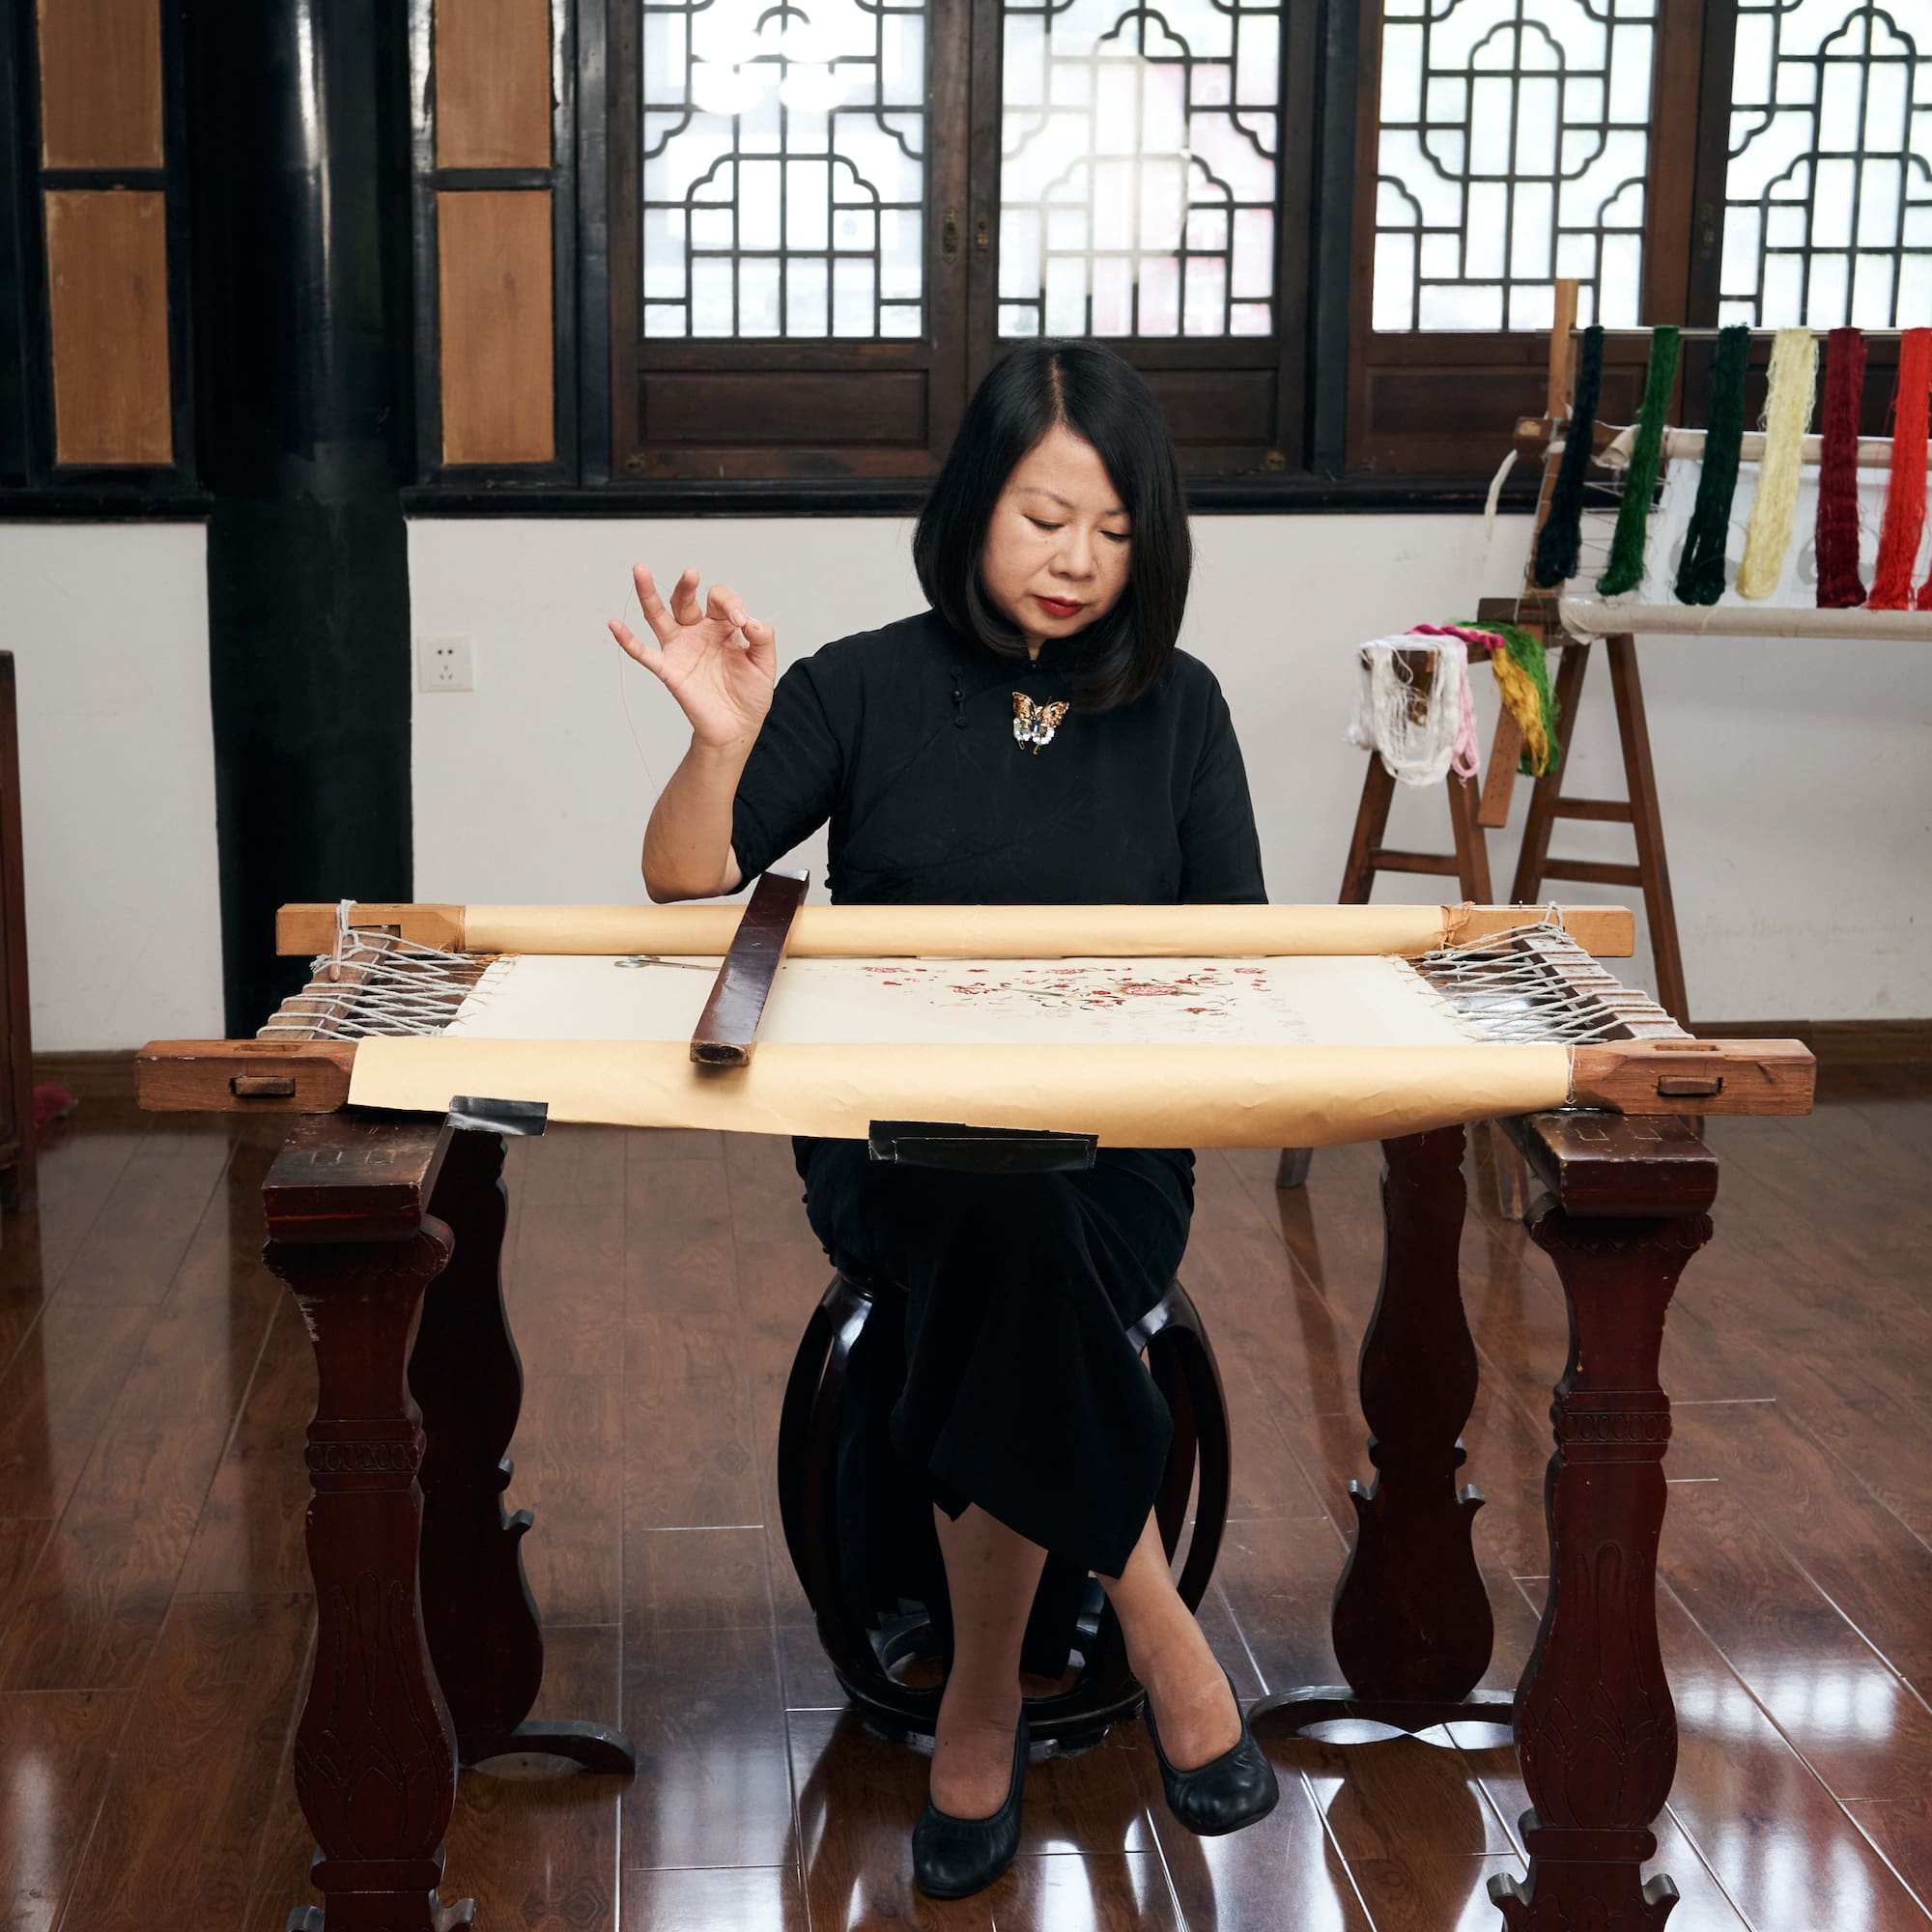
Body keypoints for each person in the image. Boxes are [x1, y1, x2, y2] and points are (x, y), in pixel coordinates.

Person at [611, 339, 1278, 1898]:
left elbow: (1235, 961)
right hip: (895, 1146)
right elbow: (685, 877)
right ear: (974, 502)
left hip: (1113, 1153)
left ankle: (979, 1700)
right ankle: (1160, 1629)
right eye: (1046, 517)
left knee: (1025, 1227)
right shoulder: (862, 684)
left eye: (1115, 531)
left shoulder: (1182, 709)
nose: (1078, 559)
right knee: (993, 1216)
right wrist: (716, 739)